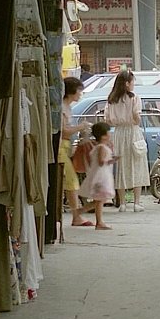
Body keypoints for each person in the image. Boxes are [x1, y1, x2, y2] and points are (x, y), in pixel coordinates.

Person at [104, 70, 150, 212]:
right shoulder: (134, 98)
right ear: (127, 83)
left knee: (121, 167)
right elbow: (136, 117)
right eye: (132, 81)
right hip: (133, 132)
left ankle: (122, 203)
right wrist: (134, 119)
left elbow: (107, 119)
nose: (133, 84)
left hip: (118, 133)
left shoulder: (111, 99)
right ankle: (136, 203)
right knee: (137, 165)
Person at [61, 77, 93, 227]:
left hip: (66, 146)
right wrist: (80, 127)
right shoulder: (62, 108)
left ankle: (76, 215)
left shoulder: (68, 107)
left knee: (69, 182)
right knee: (71, 181)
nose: (80, 93)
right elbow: (64, 131)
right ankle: (76, 216)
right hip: (61, 147)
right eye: (79, 90)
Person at [78, 122, 117, 230]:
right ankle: (99, 222)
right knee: (100, 200)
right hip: (101, 178)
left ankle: (81, 211)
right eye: (108, 133)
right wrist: (111, 160)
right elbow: (101, 162)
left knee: (99, 200)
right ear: (104, 136)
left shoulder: (98, 147)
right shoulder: (102, 148)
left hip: (99, 176)